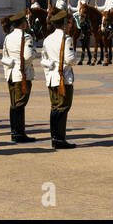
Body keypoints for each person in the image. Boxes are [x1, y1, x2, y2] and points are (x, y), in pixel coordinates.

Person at [40, 10, 77, 150]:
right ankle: (60, 139)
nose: (69, 25)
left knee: (55, 107)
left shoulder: (47, 39)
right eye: (67, 23)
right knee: (63, 107)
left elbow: (44, 59)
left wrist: (52, 65)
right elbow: (70, 59)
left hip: (51, 78)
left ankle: (54, 137)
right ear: (64, 24)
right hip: (63, 78)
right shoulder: (66, 39)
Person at [1, 10, 37, 143]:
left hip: (11, 73)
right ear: (23, 23)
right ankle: (19, 133)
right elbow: (28, 56)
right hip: (22, 74)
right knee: (20, 104)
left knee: (14, 103)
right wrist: (34, 51)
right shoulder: (26, 37)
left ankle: (14, 132)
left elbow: (5, 56)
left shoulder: (8, 37)